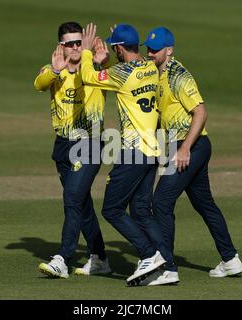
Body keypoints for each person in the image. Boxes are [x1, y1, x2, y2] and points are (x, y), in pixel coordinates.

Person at [143, 27, 242, 284]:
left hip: (192, 146)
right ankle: (230, 259)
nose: (150, 53)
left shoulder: (179, 75)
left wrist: (184, 148)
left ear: (170, 50)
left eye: (155, 50)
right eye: (148, 48)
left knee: (162, 201)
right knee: (204, 204)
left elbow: (200, 112)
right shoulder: (156, 72)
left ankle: (167, 267)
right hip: (184, 146)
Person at [80, 23, 173, 286]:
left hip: (134, 152)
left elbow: (88, 76)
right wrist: (122, 40)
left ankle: (149, 255)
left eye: (115, 47)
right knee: (142, 210)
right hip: (153, 150)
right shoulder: (149, 67)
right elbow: (139, 57)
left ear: (119, 49)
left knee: (111, 208)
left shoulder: (121, 73)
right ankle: (167, 266)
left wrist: (88, 53)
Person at [34, 21, 111, 279]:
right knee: (82, 202)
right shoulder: (54, 69)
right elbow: (39, 83)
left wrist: (103, 60)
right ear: (61, 47)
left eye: (80, 42)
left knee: (73, 199)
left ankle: (63, 259)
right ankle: (99, 257)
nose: (77, 47)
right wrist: (55, 71)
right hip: (63, 145)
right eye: (71, 43)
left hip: (90, 142)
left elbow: (117, 72)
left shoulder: (96, 67)